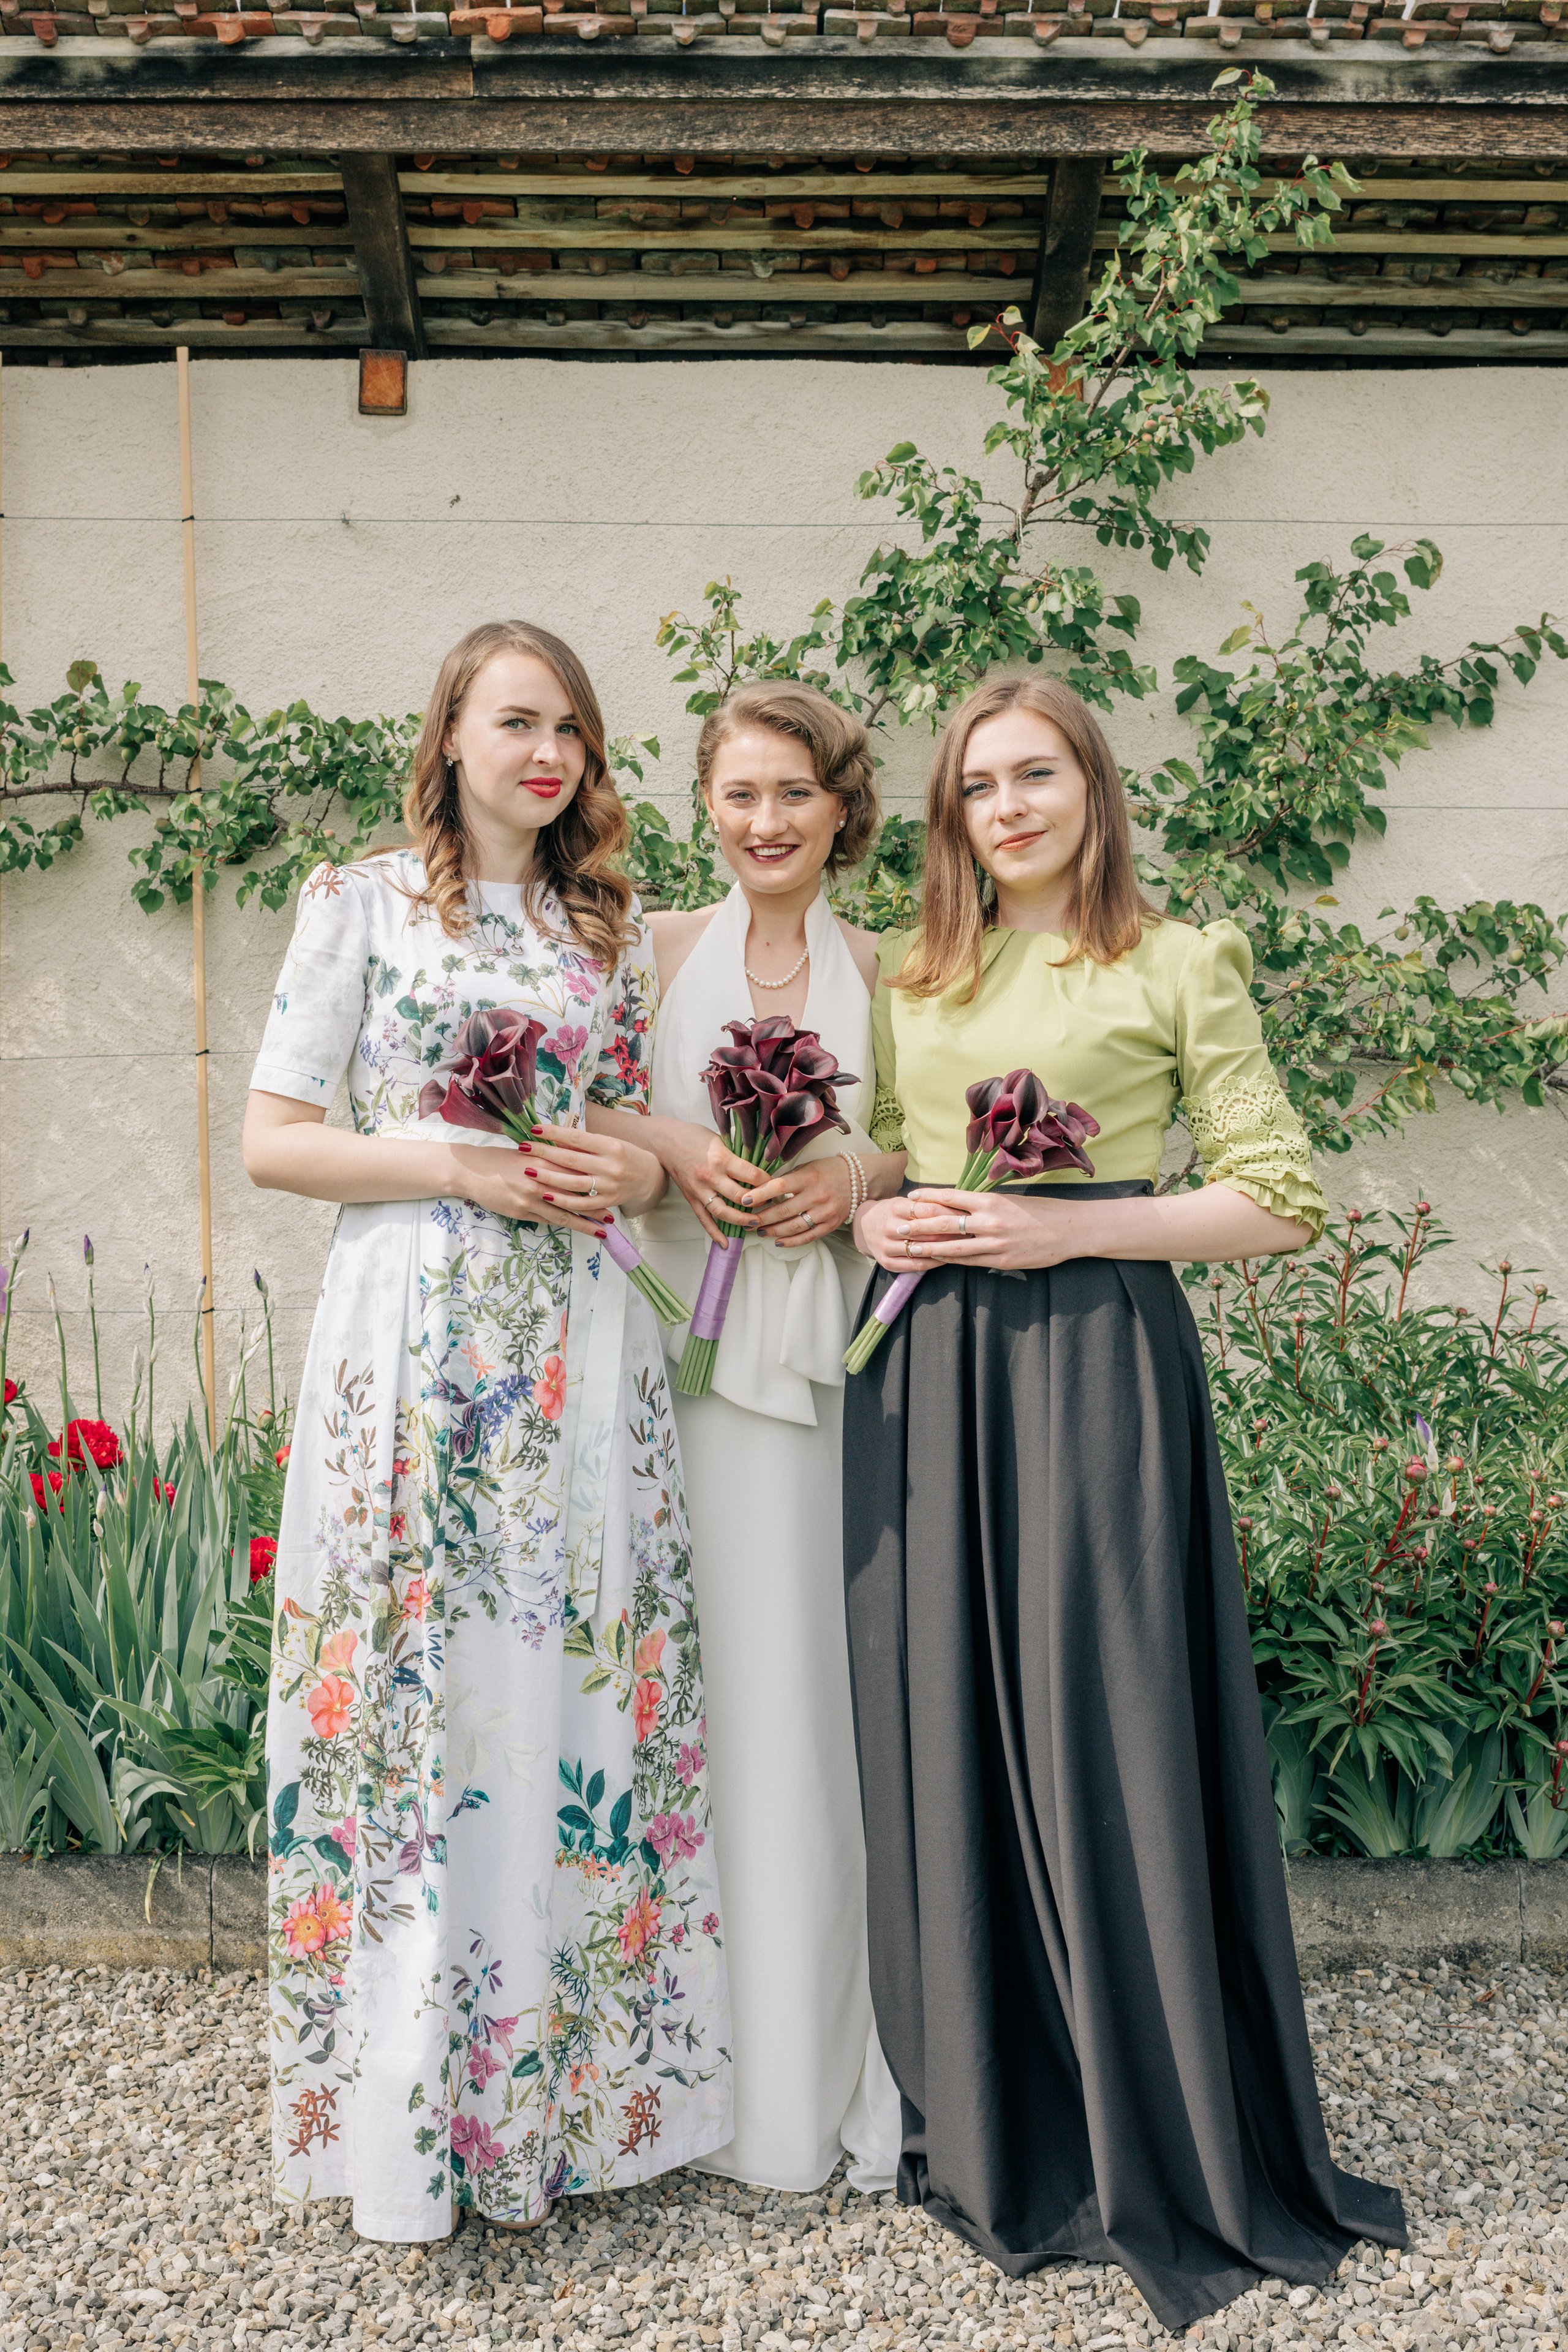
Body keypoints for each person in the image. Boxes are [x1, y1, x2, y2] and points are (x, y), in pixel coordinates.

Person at [842, 676, 1406, 2328]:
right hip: (930, 1378)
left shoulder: (1177, 960)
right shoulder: (915, 970)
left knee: (1111, 1722)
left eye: (1034, 776)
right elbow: (884, 1148)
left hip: (1094, 1368)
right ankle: (1004, 2118)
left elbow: (1277, 1198)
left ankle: (1158, 2124)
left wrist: (1071, 1229)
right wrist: (875, 1217)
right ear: (951, 817)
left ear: (1090, 787)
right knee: (951, 1724)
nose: (1004, 807)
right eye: (976, 787)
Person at [243, 620, 730, 2242]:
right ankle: (403, 2116)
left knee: (558, 1695)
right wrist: (457, 1164)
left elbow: (643, 1143)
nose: (546, 754)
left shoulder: (612, 927)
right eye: (515, 721)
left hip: (580, 1362)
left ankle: (558, 2108)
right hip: (419, 1356)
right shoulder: (360, 902)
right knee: (418, 1702)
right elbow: (277, 1143)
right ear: (451, 731)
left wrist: (633, 1172)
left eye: (571, 732)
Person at [592, 681, 906, 2195]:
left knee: (808, 1703)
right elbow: (578, 1106)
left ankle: (806, 2080)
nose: (765, 823)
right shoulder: (647, 956)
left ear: (841, 806)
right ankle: (669, 2080)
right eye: (738, 796)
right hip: (673, 1369)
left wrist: (852, 1177)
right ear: (702, 808)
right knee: (682, 1697)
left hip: (826, 1384)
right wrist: (677, 1150)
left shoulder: (893, 970)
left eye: (793, 794)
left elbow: (941, 1131)